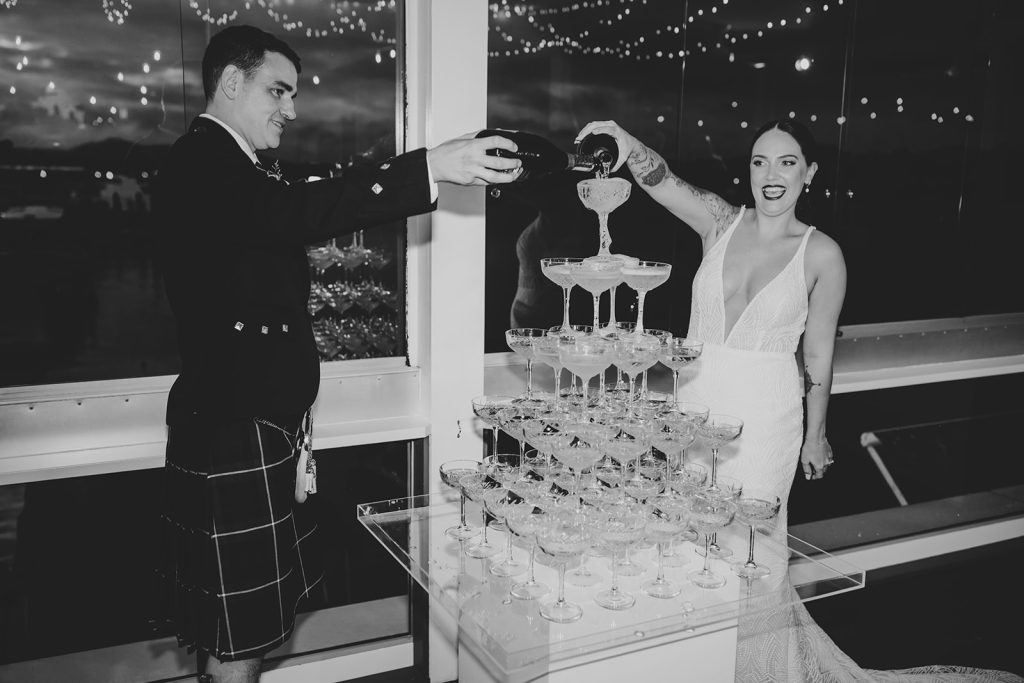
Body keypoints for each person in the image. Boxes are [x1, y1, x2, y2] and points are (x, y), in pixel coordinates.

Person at [575, 119, 1022, 682]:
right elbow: (661, 178)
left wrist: (815, 435)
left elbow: (818, 358)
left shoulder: (822, 254)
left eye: (787, 162)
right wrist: (624, 140)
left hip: (765, 418)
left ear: (808, 174)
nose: (771, 174)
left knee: (751, 554)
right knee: (690, 542)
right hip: (692, 412)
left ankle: (758, 673)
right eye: (761, 161)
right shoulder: (718, 222)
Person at [155, 25, 521, 683]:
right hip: (235, 430)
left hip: (249, 424)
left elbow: (278, 217)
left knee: (238, 635)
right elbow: (298, 210)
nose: (291, 110)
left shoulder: (226, 167)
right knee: (240, 641)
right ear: (231, 83)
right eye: (278, 90)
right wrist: (427, 168)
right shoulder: (204, 163)